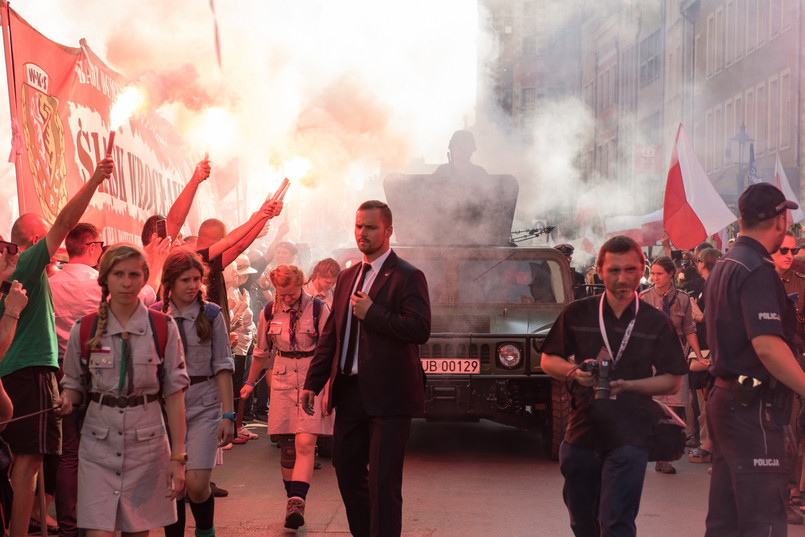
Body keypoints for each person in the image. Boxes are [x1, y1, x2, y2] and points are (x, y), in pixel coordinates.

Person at [540, 235, 687, 537]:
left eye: (631, 270)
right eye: (614, 270)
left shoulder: (655, 322)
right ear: (599, 270)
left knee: (617, 521)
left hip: (630, 435)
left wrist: (630, 385)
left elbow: (672, 380)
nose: (623, 278)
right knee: (582, 523)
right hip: (581, 432)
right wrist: (573, 372)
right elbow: (547, 360)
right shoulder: (578, 312)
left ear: (642, 268)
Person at [301, 200, 431, 537]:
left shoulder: (408, 276)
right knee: (345, 471)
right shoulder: (346, 277)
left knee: (383, 480)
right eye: (359, 226)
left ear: (388, 230)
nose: (363, 233)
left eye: (371, 227)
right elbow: (332, 333)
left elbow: (420, 329)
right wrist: (313, 382)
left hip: (391, 395)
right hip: (350, 393)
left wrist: (373, 313)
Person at [0, 157, 113, 537]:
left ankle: (37, 526)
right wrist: (95, 179)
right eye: (45, 236)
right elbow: (66, 222)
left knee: (21, 459)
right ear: (34, 242)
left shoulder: (20, 273)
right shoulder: (26, 266)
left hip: (10, 372)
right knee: (30, 461)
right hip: (32, 370)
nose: (56, 242)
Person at [57, 244, 189, 537]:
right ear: (105, 279)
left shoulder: (163, 328)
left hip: (148, 449)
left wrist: (178, 458)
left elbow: (175, 396)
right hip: (97, 448)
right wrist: (67, 399)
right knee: (97, 534)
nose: (126, 282)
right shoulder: (86, 328)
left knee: (137, 533)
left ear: (144, 279)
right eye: (118, 274)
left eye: (133, 274)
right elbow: (74, 386)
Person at [704, 183, 805, 535]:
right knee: (763, 522)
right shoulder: (757, 269)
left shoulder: (726, 262)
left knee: (726, 520)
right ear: (780, 220)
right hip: (751, 408)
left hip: (726, 400)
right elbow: (767, 346)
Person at [241, 264, 332, 529]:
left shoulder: (318, 309)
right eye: (282, 293)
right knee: (288, 448)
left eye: (292, 293)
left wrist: (330, 388)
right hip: (280, 379)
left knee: (305, 443)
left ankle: (297, 502)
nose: (287, 298)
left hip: (311, 379)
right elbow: (261, 351)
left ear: (302, 285)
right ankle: (292, 501)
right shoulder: (269, 311)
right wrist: (248, 383)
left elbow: (330, 350)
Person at [154, 249, 235, 537]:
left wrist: (229, 415)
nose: (192, 285)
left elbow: (223, 365)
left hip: (205, 405)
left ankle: (206, 531)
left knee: (198, 485)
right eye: (185, 279)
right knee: (174, 487)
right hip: (164, 410)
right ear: (169, 282)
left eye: (196, 279)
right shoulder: (154, 315)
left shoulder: (211, 313)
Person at [48, 222, 105, 537]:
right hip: (98, 371)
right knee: (98, 447)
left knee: (68, 451)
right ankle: (94, 518)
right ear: (93, 246)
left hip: (59, 371)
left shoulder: (52, 284)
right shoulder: (99, 283)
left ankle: (70, 525)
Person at [639, 255, 706, 474]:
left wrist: (697, 354)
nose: (655, 278)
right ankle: (645, 452)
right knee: (652, 407)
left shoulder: (684, 299)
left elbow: (689, 329)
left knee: (674, 409)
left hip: (675, 358)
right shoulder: (644, 298)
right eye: (653, 274)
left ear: (671, 274)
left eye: (659, 274)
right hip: (650, 359)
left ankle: (665, 457)